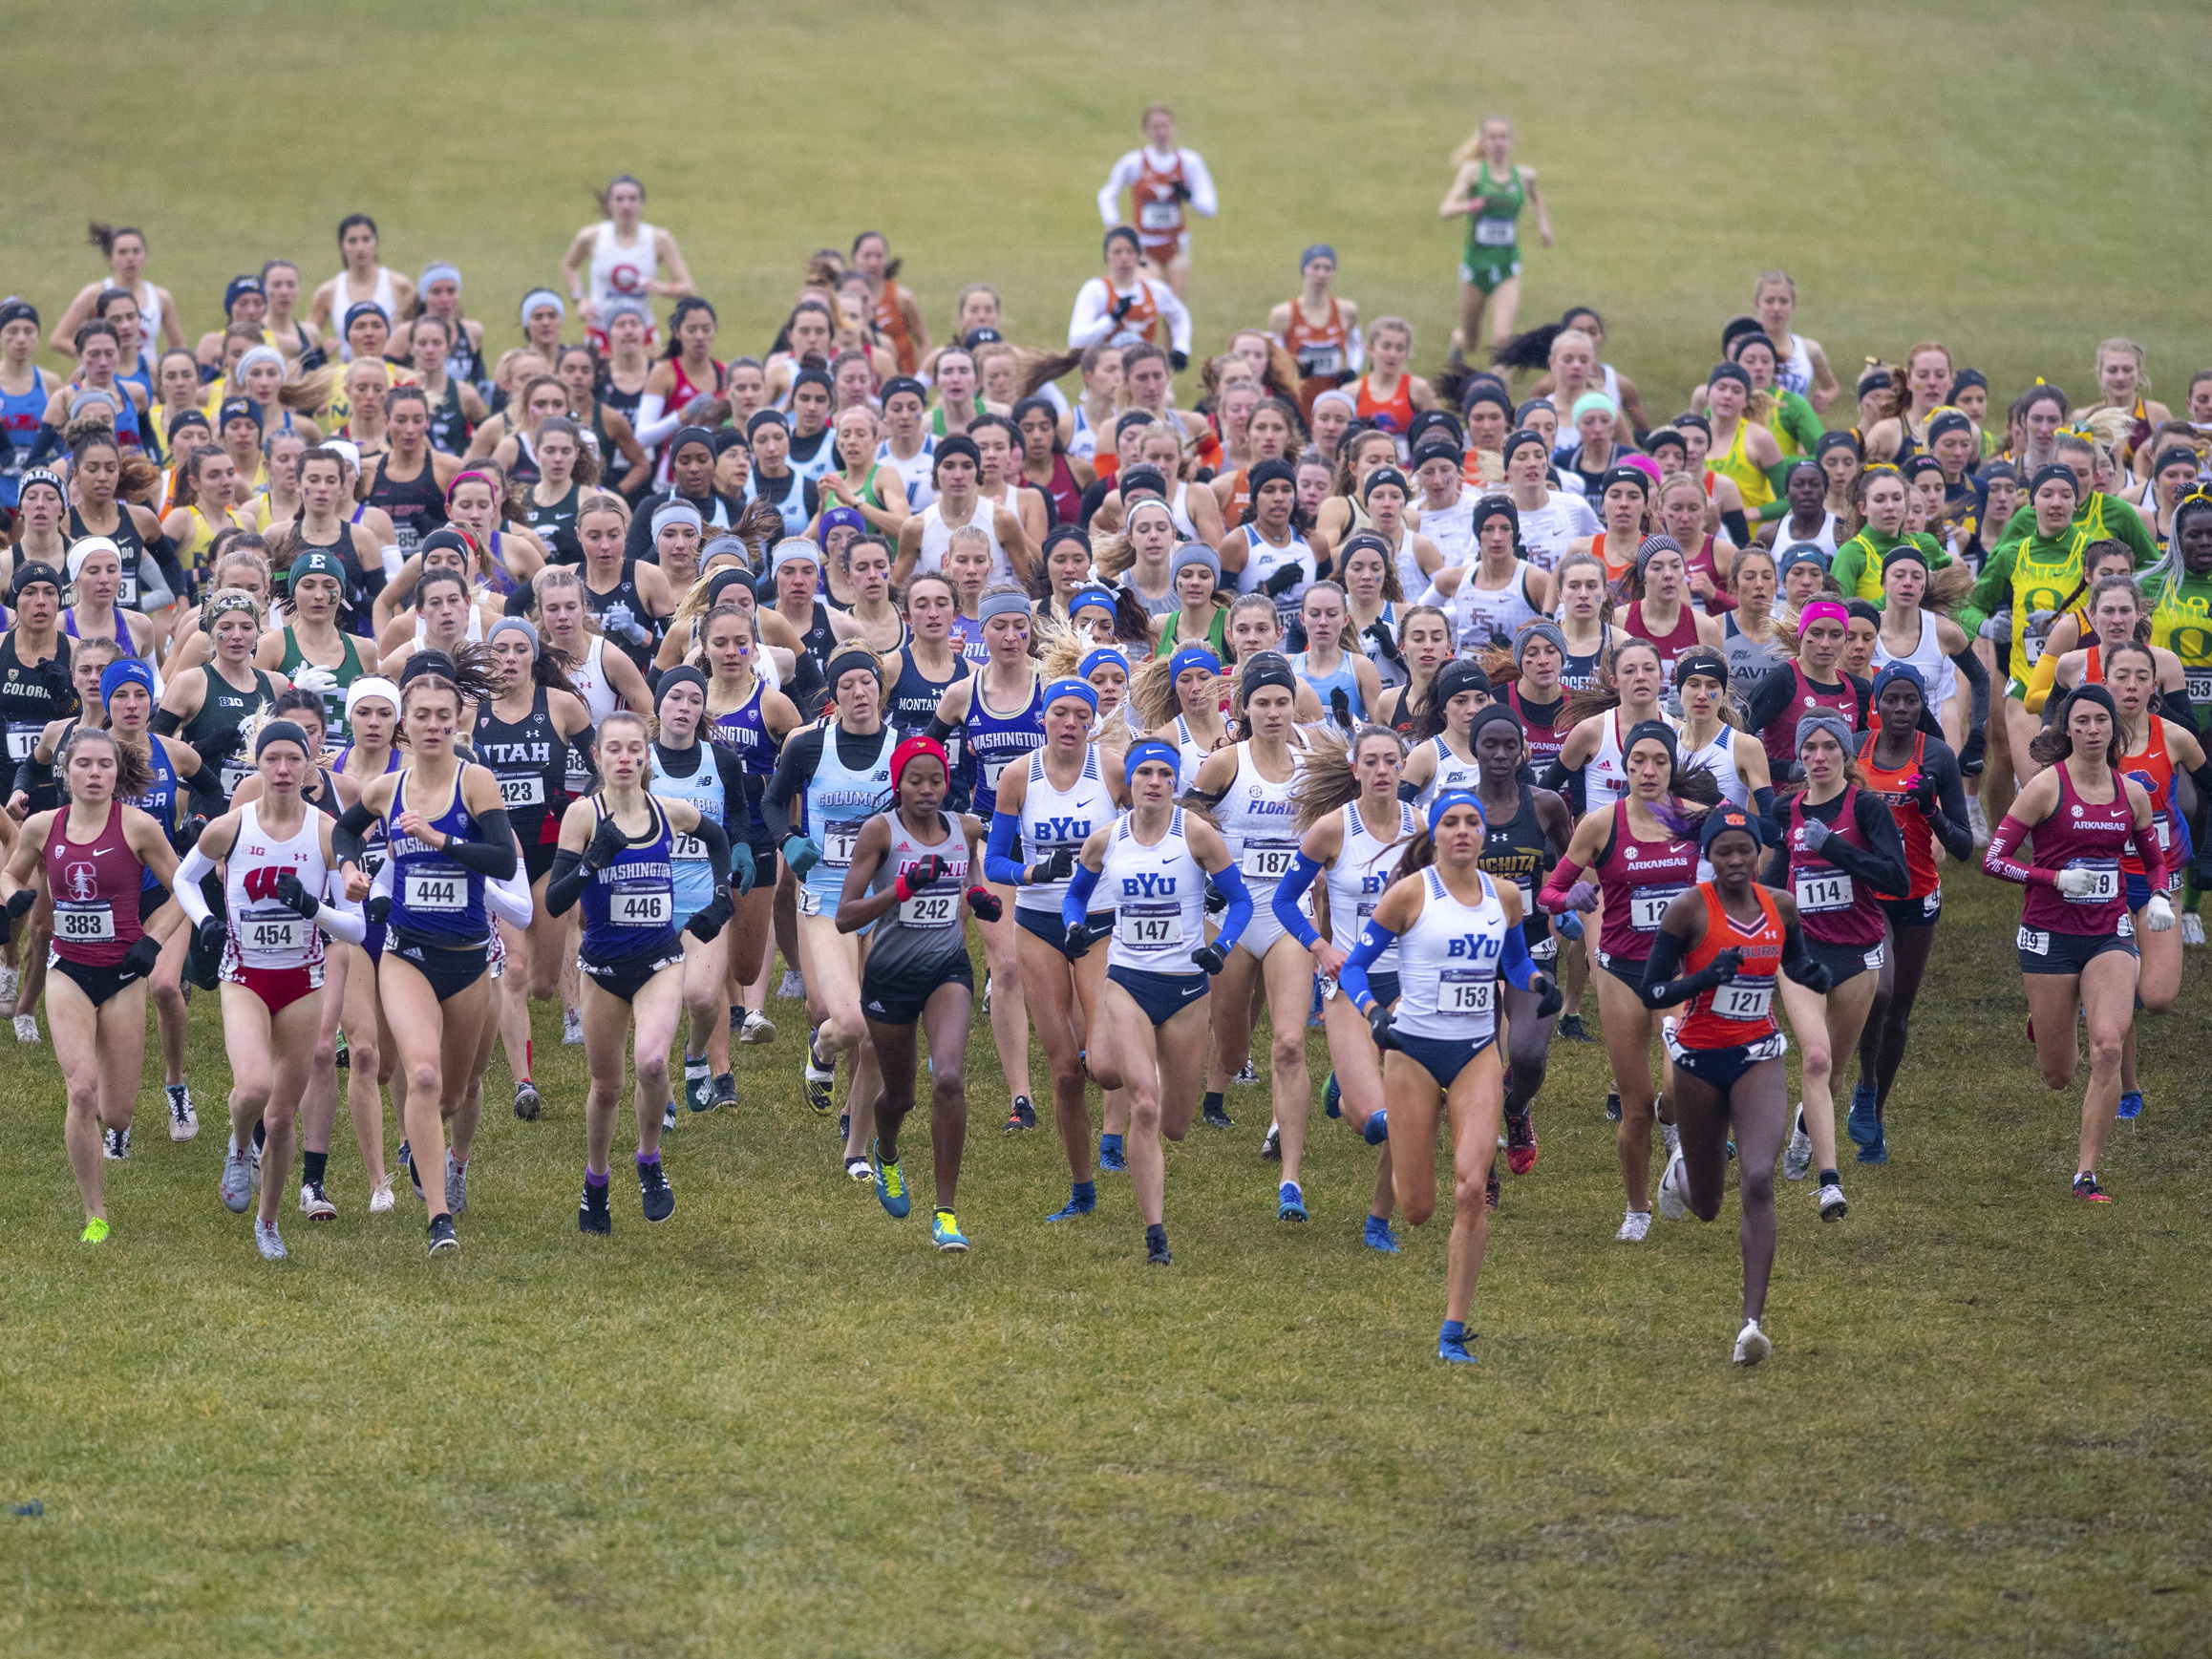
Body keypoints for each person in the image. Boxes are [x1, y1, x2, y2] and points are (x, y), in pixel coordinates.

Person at [1339, 788, 1559, 1363]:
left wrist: (1536, 983)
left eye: (1472, 823)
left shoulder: (1504, 897)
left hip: (1476, 1054)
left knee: (1470, 1189)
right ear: (1434, 833)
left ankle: (1453, 1330)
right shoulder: (1409, 895)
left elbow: (1513, 960)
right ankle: (1373, 1112)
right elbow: (1356, 967)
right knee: (1417, 1210)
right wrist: (1373, 1014)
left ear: (1483, 833)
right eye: (1451, 823)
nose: (1462, 831)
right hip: (1411, 1052)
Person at [331, 653, 518, 1255]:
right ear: (405, 724)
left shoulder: (476, 782)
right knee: (425, 1074)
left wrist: (441, 839)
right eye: (422, 716)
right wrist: (351, 869)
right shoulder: (387, 788)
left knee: (456, 1094)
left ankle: (432, 1152)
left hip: (468, 957)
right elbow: (343, 830)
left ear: (458, 718)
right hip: (406, 954)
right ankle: (439, 1218)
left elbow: (504, 862)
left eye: (443, 715)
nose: (433, 725)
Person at [1637, 804, 1829, 1365]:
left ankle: (1751, 1325)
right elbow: (1651, 993)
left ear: (1760, 853)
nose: (1737, 860)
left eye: (1745, 850)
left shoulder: (1782, 906)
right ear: (1709, 857)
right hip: (1697, 1059)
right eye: (1725, 852)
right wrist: (1701, 978)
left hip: (1756, 1054)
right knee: (1707, 1207)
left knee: (1760, 1177)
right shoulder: (1687, 911)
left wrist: (1811, 973)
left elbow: (1795, 963)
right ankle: (1683, 1173)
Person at [170, 721, 366, 1258]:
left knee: (281, 1119)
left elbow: (356, 928)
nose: (283, 770)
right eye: (272, 759)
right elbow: (183, 880)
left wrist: (313, 908)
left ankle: (269, 1222)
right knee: (253, 1088)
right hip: (245, 978)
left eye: (292, 760)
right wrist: (206, 920)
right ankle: (238, 1147)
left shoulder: (329, 833)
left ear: (310, 765)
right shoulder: (230, 829)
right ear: (257, 764)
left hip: (303, 982)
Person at [1060, 740, 1251, 1264]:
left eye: (1165, 773)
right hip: (1127, 981)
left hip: (1188, 989)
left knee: (1175, 1125)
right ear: (1131, 782)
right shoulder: (1106, 841)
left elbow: (1241, 901)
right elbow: (1075, 896)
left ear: (1174, 783)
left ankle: (1161, 1082)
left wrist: (1221, 948)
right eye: (1144, 770)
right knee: (1144, 1104)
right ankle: (1155, 1234)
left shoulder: (1197, 836)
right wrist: (1074, 927)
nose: (1153, 781)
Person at [1983, 685, 2169, 1202]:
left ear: (2115, 729)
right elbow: (1994, 860)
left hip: (2109, 933)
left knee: (2108, 1047)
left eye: (2100, 722)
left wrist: (2157, 896)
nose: (2091, 730)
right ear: (2067, 730)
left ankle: (2086, 1174)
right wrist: (2054, 879)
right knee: (2058, 1075)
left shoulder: (2130, 793)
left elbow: (2154, 859)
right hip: (2049, 936)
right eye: (2081, 722)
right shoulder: (2045, 788)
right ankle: (2046, 1023)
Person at [546, 710, 730, 1234]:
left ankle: (649, 1162)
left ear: (646, 758)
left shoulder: (667, 810)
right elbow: (558, 903)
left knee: (651, 1064)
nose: (625, 759)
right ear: (597, 757)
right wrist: (590, 863)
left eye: (634, 750)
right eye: (614, 750)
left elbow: (719, 840)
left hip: (659, 961)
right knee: (606, 1088)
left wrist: (720, 900)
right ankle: (596, 1181)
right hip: (602, 968)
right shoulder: (584, 815)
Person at [0, 726, 182, 1242]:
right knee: (80, 1091)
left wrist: (153, 940)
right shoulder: (41, 826)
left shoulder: (140, 827)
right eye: (84, 765)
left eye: (105, 765)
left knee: (117, 1111)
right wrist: (12, 897)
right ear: (65, 771)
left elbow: (184, 891)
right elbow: (9, 874)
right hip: (66, 971)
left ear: (118, 773)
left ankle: (116, 1130)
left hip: (124, 975)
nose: (95, 774)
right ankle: (94, 1214)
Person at [1542, 719, 1711, 1239]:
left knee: (1675, 1085)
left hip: (1680, 970)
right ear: (1624, 767)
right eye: (1638, 761)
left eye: (1659, 761)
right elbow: (1551, 890)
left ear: (1672, 767)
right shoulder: (1601, 824)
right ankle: (1637, 1210)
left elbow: (1745, 867)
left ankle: (1675, 1128)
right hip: (1620, 970)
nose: (1649, 770)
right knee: (1635, 1107)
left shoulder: (1698, 820)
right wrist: (1570, 898)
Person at [836, 734, 994, 1250]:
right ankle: (884, 1152)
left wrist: (980, 897)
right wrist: (902, 888)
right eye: (915, 780)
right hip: (889, 976)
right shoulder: (879, 832)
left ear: (948, 783)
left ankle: (945, 1213)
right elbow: (845, 917)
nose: (926, 790)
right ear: (898, 784)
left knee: (948, 1076)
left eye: (936, 780)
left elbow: (969, 874)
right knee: (899, 1095)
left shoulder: (964, 827)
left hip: (948, 967)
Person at [1185, 652, 1318, 1220]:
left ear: (1294, 707)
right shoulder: (1224, 766)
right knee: (1233, 1042)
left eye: (1281, 701)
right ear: (1243, 709)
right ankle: (1220, 1084)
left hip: (1291, 919)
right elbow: (1183, 827)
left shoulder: (1318, 762)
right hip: (1233, 920)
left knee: (1289, 1044)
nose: (1272, 711)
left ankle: (1290, 1176)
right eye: (1261, 702)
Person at [1763, 710, 1908, 1218]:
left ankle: (1807, 1124)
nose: (1818, 757)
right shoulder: (1787, 812)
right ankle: (1830, 1183)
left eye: (1829, 748)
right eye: (1809, 749)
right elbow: (1778, 878)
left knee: (1834, 1076)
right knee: (1816, 1059)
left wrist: (1837, 847)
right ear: (1799, 757)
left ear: (1847, 757)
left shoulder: (1866, 808)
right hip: (1802, 955)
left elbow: (1897, 879)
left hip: (1859, 953)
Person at [926, 586, 1044, 1132]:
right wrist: (941, 812)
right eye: (1000, 627)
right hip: (992, 840)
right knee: (1009, 963)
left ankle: (1084, 1054)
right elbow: (921, 755)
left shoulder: (1053, 685)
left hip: (1054, 840)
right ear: (983, 631)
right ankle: (1020, 1094)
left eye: (1021, 626)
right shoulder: (961, 694)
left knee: (1059, 957)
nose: (1012, 637)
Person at [2102, 642, 2211, 1119]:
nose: (2130, 685)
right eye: (2121, 675)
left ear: (2155, 686)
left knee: (2160, 998)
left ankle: (2096, 996)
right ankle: (2128, 1086)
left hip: (2159, 874)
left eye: (2141, 676)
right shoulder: (2089, 737)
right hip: (2105, 881)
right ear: (2106, 682)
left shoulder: (2176, 738)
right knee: (2121, 989)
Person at [1438, 116, 1551, 361]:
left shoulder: (1524, 176)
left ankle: (1500, 397)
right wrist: (1469, 205)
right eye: (1493, 137)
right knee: (1471, 341)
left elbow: (1536, 196)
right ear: (1483, 142)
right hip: (1475, 267)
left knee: (1503, 341)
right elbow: (1445, 209)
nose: (1499, 142)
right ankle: (1458, 342)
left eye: (1504, 136)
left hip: (1507, 267)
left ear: (1511, 142)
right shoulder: (1473, 173)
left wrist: (1544, 225)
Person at [1094, 105, 1217, 297]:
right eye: (1155, 127)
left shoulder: (1188, 162)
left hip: (1177, 247)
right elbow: (1107, 195)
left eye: (1165, 126)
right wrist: (1115, 226)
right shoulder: (1134, 162)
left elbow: (1209, 208)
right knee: (1147, 302)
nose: (1161, 132)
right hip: (1144, 248)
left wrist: (1187, 195)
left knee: (1175, 311)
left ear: (1174, 127)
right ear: (1146, 132)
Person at [559, 174, 697, 335]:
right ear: (610, 203)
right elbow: (569, 265)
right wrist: (580, 299)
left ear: (642, 203)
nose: (626, 205)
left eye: (633, 199)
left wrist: (660, 287)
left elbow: (688, 288)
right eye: (619, 199)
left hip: (642, 334)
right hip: (600, 331)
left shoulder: (659, 239)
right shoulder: (591, 236)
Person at [1068, 227, 1193, 368]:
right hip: (1109, 377)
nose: (1124, 258)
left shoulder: (1154, 289)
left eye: (1130, 251)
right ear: (1107, 255)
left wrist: (1181, 348)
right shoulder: (1096, 290)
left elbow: (1179, 314)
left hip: (1144, 375)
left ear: (1139, 255)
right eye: (1117, 252)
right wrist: (1111, 320)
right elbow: (1076, 341)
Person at [1268, 245, 1362, 418]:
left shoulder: (1346, 311)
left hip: (1334, 399)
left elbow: (1356, 346)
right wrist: (1293, 369)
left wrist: (1352, 371)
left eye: (1328, 268)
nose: (1321, 274)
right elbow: (1275, 357)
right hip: (1298, 399)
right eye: (1315, 267)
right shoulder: (1283, 314)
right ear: (1304, 270)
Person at [308, 214, 413, 344]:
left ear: (376, 241)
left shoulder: (400, 285)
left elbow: (419, 332)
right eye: (352, 241)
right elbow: (307, 339)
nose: (360, 248)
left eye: (366, 239)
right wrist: (322, 352)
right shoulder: (327, 292)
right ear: (341, 246)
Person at [1752, 271, 1840, 413]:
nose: (1776, 308)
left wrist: (1823, 399)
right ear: (1757, 303)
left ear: (1793, 304)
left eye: (1783, 301)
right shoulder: (1743, 349)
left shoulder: (1809, 350)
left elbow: (1831, 387)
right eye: (1769, 301)